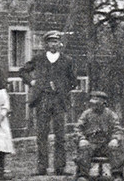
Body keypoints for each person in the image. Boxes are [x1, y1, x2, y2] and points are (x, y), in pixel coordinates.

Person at [17, 30, 76, 176]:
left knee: (60, 135)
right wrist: (32, 82)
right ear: (46, 44)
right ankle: (41, 168)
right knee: (41, 134)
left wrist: (62, 88)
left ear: (59, 43)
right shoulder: (39, 58)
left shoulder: (67, 60)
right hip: (43, 99)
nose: (53, 44)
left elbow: (73, 81)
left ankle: (60, 168)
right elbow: (23, 71)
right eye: (50, 41)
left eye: (56, 41)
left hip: (59, 100)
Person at [73, 91, 124, 181]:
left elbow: (117, 130)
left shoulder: (111, 115)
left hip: (106, 144)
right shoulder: (86, 114)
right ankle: (83, 175)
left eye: (97, 103)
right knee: (84, 148)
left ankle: (117, 175)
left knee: (115, 148)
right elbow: (78, 129)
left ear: (103, 103)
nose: (94, 105)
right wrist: (81, 139)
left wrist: (115, 139)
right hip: (91, 143)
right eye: (92, 103)